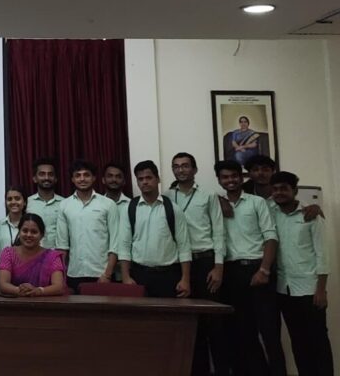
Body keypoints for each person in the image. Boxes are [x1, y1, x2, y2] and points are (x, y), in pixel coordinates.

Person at [216, 159, 283, 376]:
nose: (230, 180)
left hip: (258, 269)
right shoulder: (214, 204)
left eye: (234, 176)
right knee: (243, 334)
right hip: (231, 273)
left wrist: (264, 270)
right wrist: (218, 200)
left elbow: (271, 237)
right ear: (219, 180)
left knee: (270, 333)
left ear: (241, 177)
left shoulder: (257, 202)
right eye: (225, 177)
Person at [169, 152, 228, 376]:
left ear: (194, 170)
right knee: (189, 324)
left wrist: (218, 266)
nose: (181, 170)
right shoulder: (167, 196)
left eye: (185, 166)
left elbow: (219, 231)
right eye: (176, 166)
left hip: (205, 262)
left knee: (214, 323)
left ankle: (221, 370)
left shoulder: (208, 195)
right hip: (179, 265)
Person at [270, 171, 332, 376]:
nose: (279, 193)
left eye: (284, 188)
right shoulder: (271, 214)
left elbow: (322, 255)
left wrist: (321, 290)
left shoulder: (311, 215)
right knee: (297, 340)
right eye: (275, 189)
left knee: (318, 340)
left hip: (310, 290)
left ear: (295, 191)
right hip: (284, 289)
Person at [118, 161, 192, 298]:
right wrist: (125, 277)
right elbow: (124, 245)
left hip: (168, 275)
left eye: (149, 177)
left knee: (169, 312)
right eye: (140, 179)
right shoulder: (129, 208)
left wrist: (185, 279)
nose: (145, 182)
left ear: (158, 179)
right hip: (139, 275)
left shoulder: (173, 208)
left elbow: (184, 245)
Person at [56, 159, 119, 293]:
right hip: (74, 274)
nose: (82, 179)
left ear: (94, 178)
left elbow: (115, 244)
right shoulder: (64, 205)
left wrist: (107, 275)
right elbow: (62, 245)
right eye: (78, 175)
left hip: (101, 274)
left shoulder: (108, 204)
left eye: (86, 175)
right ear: (72, 179)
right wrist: (61, 276)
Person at [0, 214, 66, 297]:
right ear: (19, 232)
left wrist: (39, 291)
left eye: (34, 232)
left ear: (42, 235)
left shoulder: (52, 257)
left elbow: (59, 287)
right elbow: (3, 284)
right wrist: (20, 291)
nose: (29, 235)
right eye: (25, 231)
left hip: (45, 303)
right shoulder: (8, 253)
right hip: (14, 302)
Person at [26, 157, 63, 247]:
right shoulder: (27, 203)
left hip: (58, 253)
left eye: (50, 174)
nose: (46, 177)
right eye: (42, 174)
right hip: (33, 252)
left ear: (56, 179)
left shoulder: (65, 203)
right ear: (34, 178)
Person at [0, 185, 27, 254]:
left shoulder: (31, 224)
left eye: (17, 199)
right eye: (9, 199)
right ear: (5, 203)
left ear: (24, 202)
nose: (13, 202)